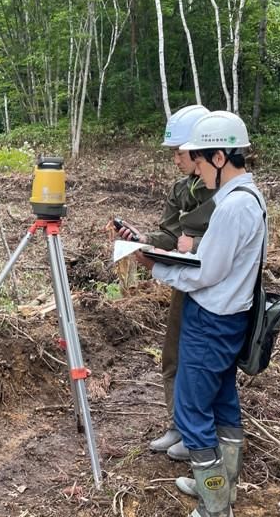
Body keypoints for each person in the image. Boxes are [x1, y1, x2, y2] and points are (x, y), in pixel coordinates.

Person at [136, 111, 266, 517]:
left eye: (199, 156)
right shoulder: (250, 199)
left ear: (221, 157)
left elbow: (206, 273)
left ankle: (214, 505)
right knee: (224, 403)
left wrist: (155, 264)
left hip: (211, 322)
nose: (196, 167)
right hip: (231, 319)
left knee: (193, 415)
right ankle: (221, 486)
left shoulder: (231, 208)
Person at [109, 104, 215, 461]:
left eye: (180, 152)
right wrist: (141, 239)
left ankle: (200, 432)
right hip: (184, 283)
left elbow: (235, 240)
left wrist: (196, 244)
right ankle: (179, 423)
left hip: (215, 287)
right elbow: (169, 235)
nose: (176, 159)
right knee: (173, 355)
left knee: (204, 362)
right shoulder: (180, 189)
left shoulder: (226, 192)